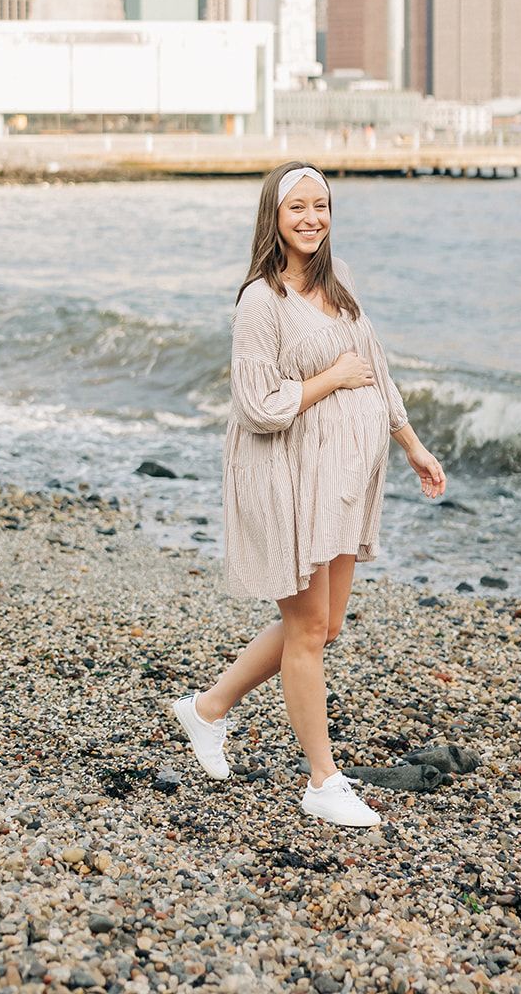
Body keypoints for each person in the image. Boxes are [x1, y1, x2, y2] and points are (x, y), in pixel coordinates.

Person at [170, 162, 446, 827]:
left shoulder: (338, 277)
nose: (311, 218)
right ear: (273, 214)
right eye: (297, 207)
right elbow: (258, 406)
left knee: (324, 625)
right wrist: (331, 379)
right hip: (284, 476)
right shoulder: (260, 301)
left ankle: (207, 709)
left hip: (341, 481)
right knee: (305, 630)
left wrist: (411, 444)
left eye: (320, 205)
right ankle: (323, 780)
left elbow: (375, 368)